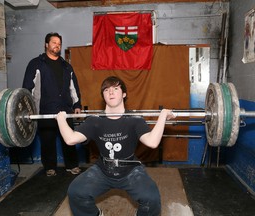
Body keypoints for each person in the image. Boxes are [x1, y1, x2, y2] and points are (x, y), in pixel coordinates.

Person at [56, 76, 176, 216]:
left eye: (115, 89)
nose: (111, 92)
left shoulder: (134, 120)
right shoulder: (94, 121)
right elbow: (70, 139)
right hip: (103, 170)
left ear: (124, 94)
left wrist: (162, 117)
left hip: (130, 170)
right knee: (75, 191)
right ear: (103, 96)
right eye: (106, 90)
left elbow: (152, 142)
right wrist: (61, 119)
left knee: (152, 198)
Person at [22, 32, 82, 177]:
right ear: (46, 44)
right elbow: (27, 88)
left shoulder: (66, 66)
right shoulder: (36, 63)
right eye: (54, 42)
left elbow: (73, 87)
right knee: (47, 140)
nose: (57, 45)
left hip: (65, 109)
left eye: (59, 43)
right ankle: (50, 167)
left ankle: (72, 165)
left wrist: (77, 105)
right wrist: (28, 109)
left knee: (69, 140)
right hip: (45, 110)